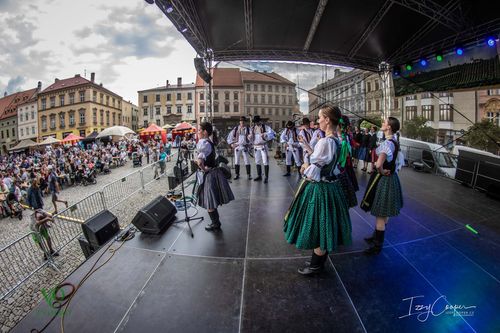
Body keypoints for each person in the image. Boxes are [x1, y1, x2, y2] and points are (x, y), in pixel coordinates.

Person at [284, 106, 352, 276]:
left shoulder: (325, 141)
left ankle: (316, 266)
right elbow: (331, 165)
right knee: (325, 224)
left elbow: (313, 171)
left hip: (321, 189)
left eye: (320, 117)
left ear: (328, 120)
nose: (317, 121)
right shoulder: (337, 140)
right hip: (331, 187)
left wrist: (305, 167)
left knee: (319, 224)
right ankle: (318, 262)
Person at [361, 117, 404, 255]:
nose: (382, 124)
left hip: (384, 180)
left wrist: (381, 170)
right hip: (391, 179)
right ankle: (375, 237)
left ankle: (377, 246)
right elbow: (397, 162)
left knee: (380, 212)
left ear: (389, 127)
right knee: (384, 212)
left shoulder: (388, 143)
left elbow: (379, 164)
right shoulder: (394, 142)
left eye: (384, 122)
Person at [195, 122, 235, 231]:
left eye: (199, 130)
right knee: (211, 200)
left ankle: (215, 224)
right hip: (214, 173)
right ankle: (216, 223)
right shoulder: (209, 142)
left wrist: (203, 169)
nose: (198, 132)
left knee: (209, 202)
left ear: (205, 132)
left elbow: (199, 162)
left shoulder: (203, 143)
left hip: (209, 175)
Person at [249, 115, 275, 183]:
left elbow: (272, 133)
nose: (256, 123)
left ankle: (266, 177)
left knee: (265, 161)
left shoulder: (265, 127)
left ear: (259, 121)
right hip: (256, 146)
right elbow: (250, 137)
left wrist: (265, 134)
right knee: (257, 161)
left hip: (263, 146)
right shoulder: (253, 128)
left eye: (257, 122)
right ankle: (259, 175)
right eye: (255, 122)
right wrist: (249, 137)